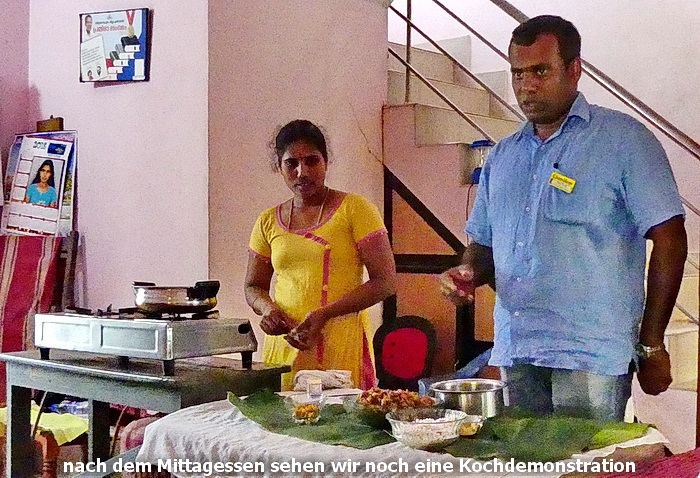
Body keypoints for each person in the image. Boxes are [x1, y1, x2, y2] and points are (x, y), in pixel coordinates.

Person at [440, 15, 687, 421]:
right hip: (519, 348)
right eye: (517, 73)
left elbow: (671, 239)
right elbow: (483, 246)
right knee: (528, 465)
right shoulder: (502, 156)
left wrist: (652, 343)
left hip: (591, 354)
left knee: (585, 465)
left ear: (574, 70)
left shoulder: (623, 140)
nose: (527, 85)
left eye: (540, 70)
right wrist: (466, 272)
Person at [245, 120, 396, 390]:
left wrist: (325, 314)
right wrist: (269, 311)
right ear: (280, 168)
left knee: (339, 424)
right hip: (285, 344)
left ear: (326, 162)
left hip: (340, 343)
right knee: (282, 425)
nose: (302, 172)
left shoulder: (356, 209)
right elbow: (253, 286)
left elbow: (385, 282)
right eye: (291, 163)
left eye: (312, 161)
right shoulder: (267, 221)